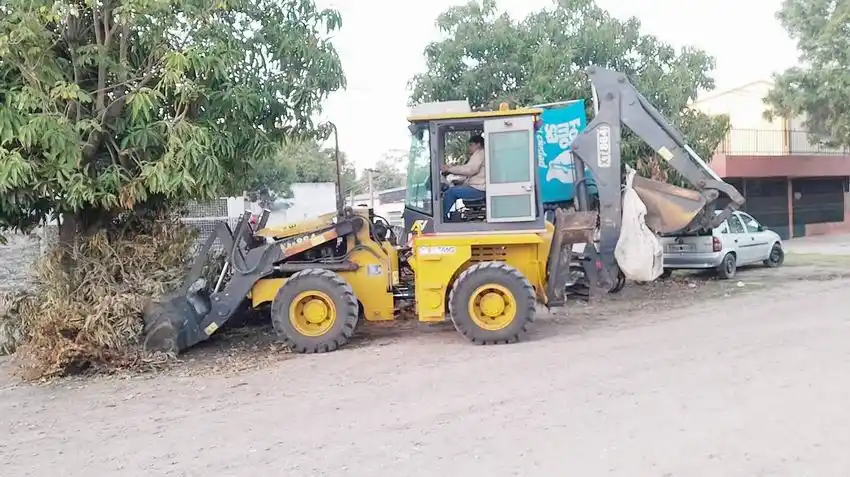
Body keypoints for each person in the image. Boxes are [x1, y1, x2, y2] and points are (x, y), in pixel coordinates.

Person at [440, 135, 486, 219]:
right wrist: (457, 181)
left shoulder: (480, 153)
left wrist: (449, 169)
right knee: (453, 189)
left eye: (471, 145)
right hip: (478, 187)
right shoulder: (480, 154)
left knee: (451, 192)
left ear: (478, 145)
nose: (469, 148)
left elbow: (470, 170)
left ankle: (441, 218)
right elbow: (471, 174)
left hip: (479, 189)